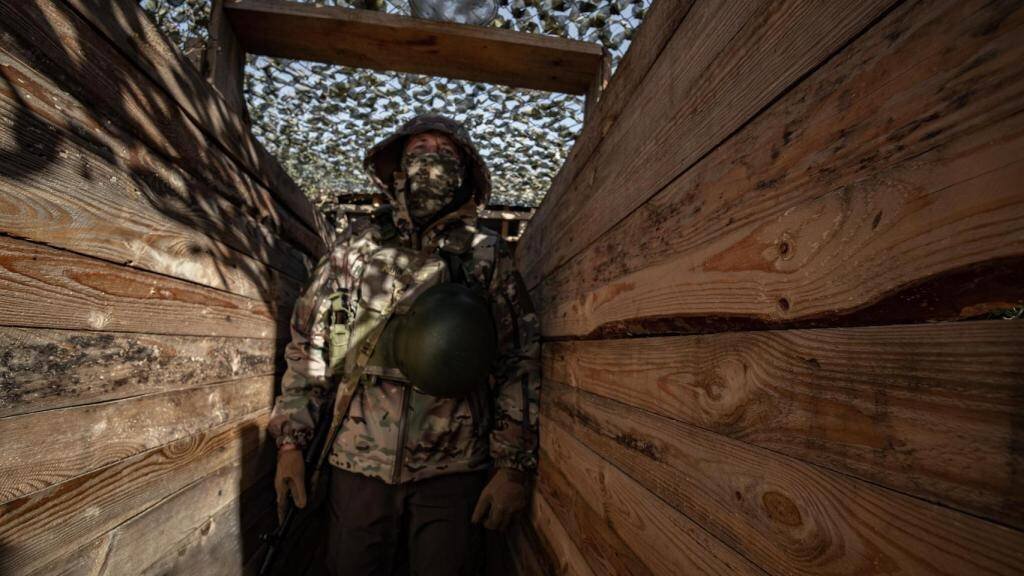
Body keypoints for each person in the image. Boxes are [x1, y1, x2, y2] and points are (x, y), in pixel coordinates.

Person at [268, 114, 541, 576]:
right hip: (357, 466)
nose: (430, 162)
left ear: (465, 172)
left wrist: (512, 467)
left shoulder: (486, 256)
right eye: (418, 151)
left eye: (445, 153)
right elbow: (311, 346)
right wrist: (291, 446)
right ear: (397, 167)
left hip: (452, 473)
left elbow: (519, 361)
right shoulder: (356, 250)